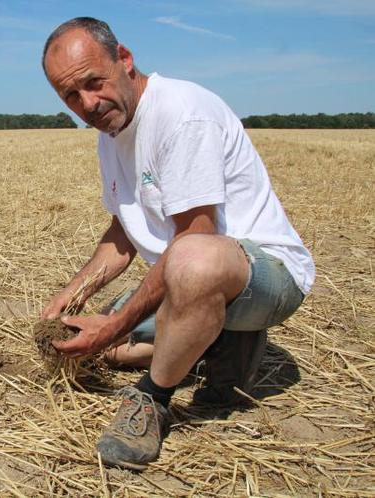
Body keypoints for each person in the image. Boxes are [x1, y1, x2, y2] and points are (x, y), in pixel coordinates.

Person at [40, 17, 315, 470]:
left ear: (124, 59)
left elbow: (196, 236)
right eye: (71, 95)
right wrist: (71, 297)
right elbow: (122, 235)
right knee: (102, 347)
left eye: (94, 82)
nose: (87, 103)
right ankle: (221, 343)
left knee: (191, 262)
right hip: (189, 273)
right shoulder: (111, 133)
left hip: (266, 276)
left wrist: (116, 323)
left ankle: (153, 399)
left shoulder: (181, 112)